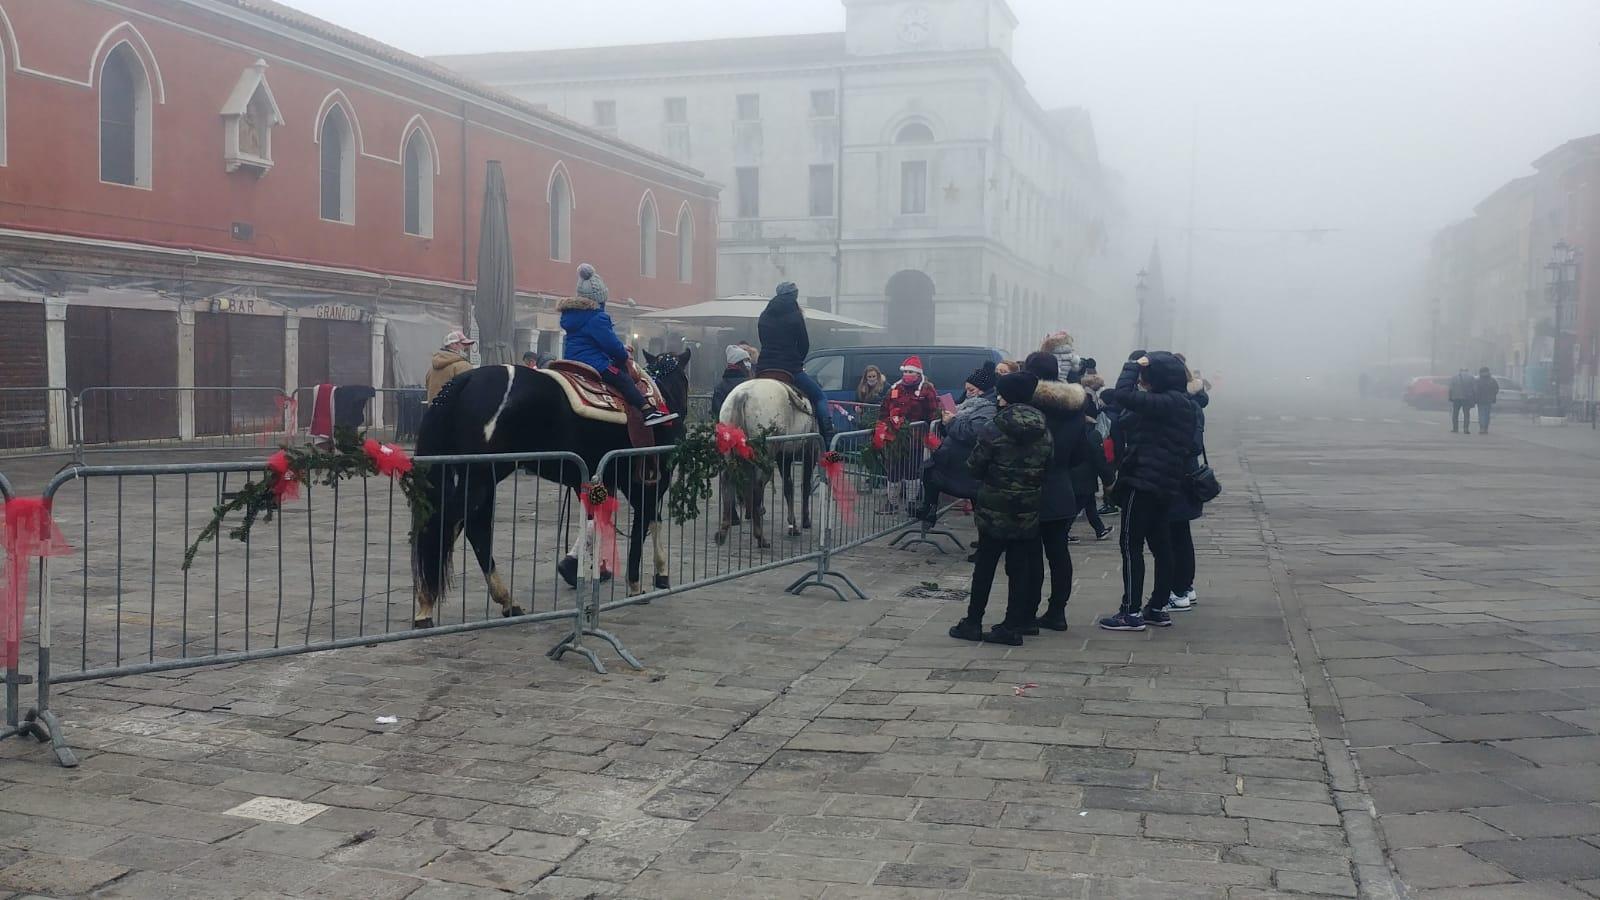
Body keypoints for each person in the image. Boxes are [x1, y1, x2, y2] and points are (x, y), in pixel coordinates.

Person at [948, 371, 1052, 646]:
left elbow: (974, 466)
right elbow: (1047, 467)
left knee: (985, 567)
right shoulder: (1043, 429)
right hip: (1027, 509)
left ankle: (973, 621)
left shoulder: (993, 428)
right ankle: (1012, 625)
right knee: (1018, 569)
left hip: (993, 509)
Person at [1098, 351, 1196, 632]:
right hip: (1166, 482)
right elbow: (1130, 416)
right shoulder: (1181, 403)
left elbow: (1121, 396)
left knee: (1131, 545)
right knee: (1162, 545)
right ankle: (1157, 607)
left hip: (1142, 481)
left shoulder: (1165, 402)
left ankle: (1130, 611)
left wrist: (1131, 364)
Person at [559, 263, 677, 427]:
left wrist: (620, 348)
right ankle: (647, 411)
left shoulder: (571, 315)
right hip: (594, 363)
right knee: (623, 380)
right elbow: (611, 346)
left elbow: (590, 341)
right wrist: (623, 353)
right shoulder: (598, 317)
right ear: (600, 298)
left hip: (572, 360)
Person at [1020, 352, 1088, 631]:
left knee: (1032, 554)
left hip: (1031, 486)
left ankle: (1028, 611)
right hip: (1061, 487)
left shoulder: (1028, 404)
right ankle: (1057, 612)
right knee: (1059, 554)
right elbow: (1080, 453)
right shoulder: (1074, 406)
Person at [913, 361, 998, 523]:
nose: (967, 393)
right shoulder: (971, 404)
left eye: (971, 390)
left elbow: (973, 433)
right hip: (956, 460)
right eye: (966, 389)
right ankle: (929, 510)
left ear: (983, 389)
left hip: (966, 464)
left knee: (976, 499)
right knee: (929, 472)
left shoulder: (988, 408)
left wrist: (951, 422)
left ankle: (984, 537)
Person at [755, 281, 833, 443]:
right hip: (789, 369)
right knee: (820, 397)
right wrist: (798, 361)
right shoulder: (796, 315)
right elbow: (804, 344)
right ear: (794, 296)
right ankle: (829, 440)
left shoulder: (764, 315)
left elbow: (763, 341)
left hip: (763, 369)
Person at [1167, 363, 1210, 611]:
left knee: (1175, 537)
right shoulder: (1192, 404)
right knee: (1180, 534)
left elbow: (1192, 444)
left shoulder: (1184, 407)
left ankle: (1179, 590)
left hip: (1178, 476)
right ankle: (1186, 587)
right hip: (1185, 474)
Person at [879, 356, 942, 513]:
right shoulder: (895, 388)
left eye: (910, 372)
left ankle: (912, 503)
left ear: (918, 374)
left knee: (912, 471)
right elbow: (884, 409)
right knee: (893, 471)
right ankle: (891, 503)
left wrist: (930, 432)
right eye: (905, 371)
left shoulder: (927, 389)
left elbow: (933, 412)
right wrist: (881, 428)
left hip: (916, 438)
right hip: (894, 438)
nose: (907, 374)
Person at [426, 330, 475, 402]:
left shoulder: (432, 368)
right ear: (453, 345)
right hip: (457, 412)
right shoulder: (463, 366)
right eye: (464, 344)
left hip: (435, 411)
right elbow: (470, 391)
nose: (467, 348)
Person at [712, 345, 753, 418]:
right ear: (738, 362)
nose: (748, 363)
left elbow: (717, 412)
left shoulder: (720, 387)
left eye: (749, 360)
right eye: (746, 360)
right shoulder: (749, 385)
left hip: (726, 427)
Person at [1448, 367, 1475, 434]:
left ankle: (1455, 428)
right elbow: (1474, 388)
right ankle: (1466, 429)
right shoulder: (1471, 377)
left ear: (1460, 371)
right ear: (1467, 371)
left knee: (1455, 414)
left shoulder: (1454, 377)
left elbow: (1450, 388)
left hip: (1456, 398)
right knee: (1466, 414)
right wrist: (1473, 397)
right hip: (1466, 398)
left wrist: (1450, 397)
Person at [1475, 367, 1499, 434]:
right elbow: (1496, 389)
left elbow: (1475, 390)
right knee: (1487, 414)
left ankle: (1482, 428)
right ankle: (1485, 428)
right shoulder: (1492, 380)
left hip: (1480, 400)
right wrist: (1492, 395)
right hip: (1489, 400)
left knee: (1481, 414)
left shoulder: (1478, 381)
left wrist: (1475, 398)